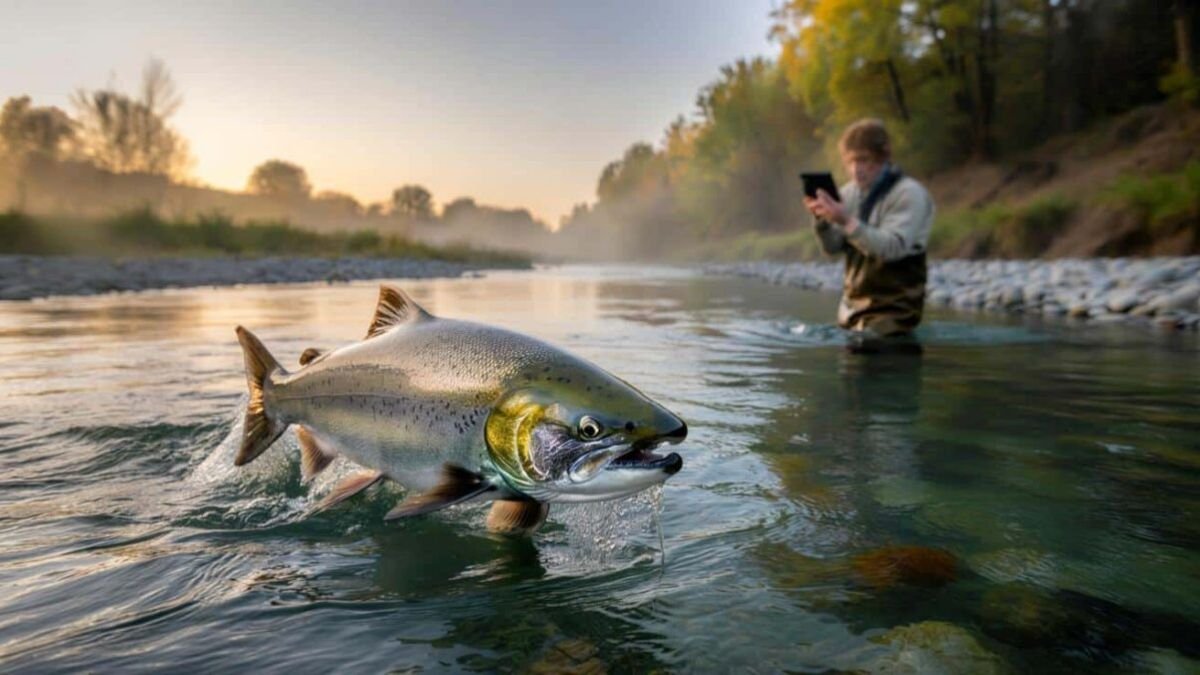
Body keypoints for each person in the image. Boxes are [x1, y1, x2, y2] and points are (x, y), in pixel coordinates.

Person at [803, 118, 934, 353]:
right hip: (851, 313)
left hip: (894, 316)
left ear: (882, 156)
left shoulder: (909, 193)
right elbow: (833, 250)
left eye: (863, 160)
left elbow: (893, 248)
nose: (856, 169)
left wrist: (846, 220)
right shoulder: (847, 194)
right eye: (850, 161)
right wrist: (822, 221)